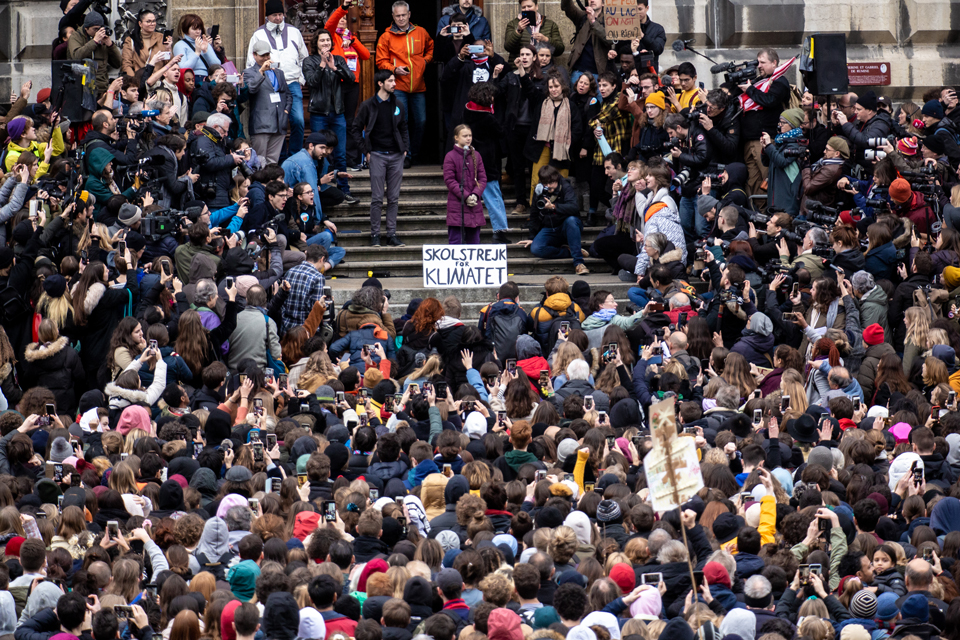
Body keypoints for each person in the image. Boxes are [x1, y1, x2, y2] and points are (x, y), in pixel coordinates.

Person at [352, 70, 408, 248]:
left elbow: (404, 127)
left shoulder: (397, 104)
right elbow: (355, 128)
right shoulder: (368, 105)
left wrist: (405, 149)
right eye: (390, 81)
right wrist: (365, 151)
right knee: (377, 198)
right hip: (376, 155)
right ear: (380, 83)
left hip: (396, 155)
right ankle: (375, 234)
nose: (394, 84)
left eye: (394, 81)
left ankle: (391, 234)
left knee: (394, 198)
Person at [245, 0, 309, 157]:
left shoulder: (295, 32)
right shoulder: (258, 35)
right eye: (275, 15)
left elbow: (304, 59)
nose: (279, 19)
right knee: (275, 124)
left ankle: (293, 156)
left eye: (281, 15)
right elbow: (251, 62)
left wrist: (301, 79)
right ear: (267, 17)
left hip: (292, 83)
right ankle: (278, 159)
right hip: (269, 85)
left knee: (298, 121)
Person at [376, 1, 434, 168]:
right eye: (397, 15)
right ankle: (405, 155)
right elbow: (380, 61)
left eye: (403, 15)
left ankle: (414, 152)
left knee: (421, 121)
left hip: (418, 86)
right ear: (393, 17)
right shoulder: (386, 36)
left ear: (409, 14)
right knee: (402, 121)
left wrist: (424, 61)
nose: (401, 18)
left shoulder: (421, 32)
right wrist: (394, 69)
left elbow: (431, 47)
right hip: (397, 87)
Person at [303, 29, 358, 204]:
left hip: (337, 113)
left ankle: (345, 190)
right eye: (322, 41)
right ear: (316, 44)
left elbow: (351, 79)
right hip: (319, 113)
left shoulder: (339, 59)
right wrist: (322, 66)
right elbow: (311, 82)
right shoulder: (309, 61)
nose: (326, 43)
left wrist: (336, 67)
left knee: (340, 153)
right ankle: (320, 188)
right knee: (319, 153)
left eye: (328, 40)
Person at [324, 0, 371, 171]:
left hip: (352, 84)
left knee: (350, 122)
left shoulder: (351, 38)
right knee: (335, 120)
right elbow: (330, 23)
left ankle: (351, 159)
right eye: (340, 19)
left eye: (345, 20)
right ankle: (332, 160)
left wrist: (353, 41)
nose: (342, 21)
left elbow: (366, 55)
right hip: (337, 83)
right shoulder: (331, 37)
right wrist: (343, 9)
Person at [519, 165, 589, 275]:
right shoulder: (540, 191)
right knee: (536, 248)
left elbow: (574, 207)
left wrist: (554, 207)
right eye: (545, 183)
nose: (548, 186)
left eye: (551, 182)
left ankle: (579, 263)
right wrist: (532, 237)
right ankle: (568, 251)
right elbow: (534, 215)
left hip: (567, 226)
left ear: (556, 179)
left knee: (571, 220)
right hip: (549, 228)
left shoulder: (565, 186)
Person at [740, 48, 791, 196]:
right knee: (753, 183)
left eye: (763, 62)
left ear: (774, 63)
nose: (759, 66)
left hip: (764, 139)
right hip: (749, 140)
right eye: (758, 62)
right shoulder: (758, 81)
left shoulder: (780, 81)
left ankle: (769, 215)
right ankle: (758, 213)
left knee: (766, 180)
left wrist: (750, 90)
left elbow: (769, 100)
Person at [243, 40, 292, 166]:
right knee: (259, 161)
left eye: (267, 55)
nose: (266, 58)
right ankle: (258, 186)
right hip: (261, 124)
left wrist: (285, 111)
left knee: (272, 163)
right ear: (254, 55)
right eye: (262, 55)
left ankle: (269, 185)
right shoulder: (249, 72)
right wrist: (261, 72)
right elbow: (251, 89)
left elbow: (288, 94)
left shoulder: (279, 72)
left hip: (279, 123)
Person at [443, 125, 487, 245]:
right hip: (457, 205)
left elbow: (482, 178)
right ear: (456, 138)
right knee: (455, 243)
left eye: (470, 136)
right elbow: (450, 180)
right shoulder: (450, 156)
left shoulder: (476, 155)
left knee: (474, 243)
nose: (468, 138)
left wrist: (475, 194)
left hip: (474, 205)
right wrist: (466, 196)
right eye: (465, 136)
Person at [67, 11, 122, 96]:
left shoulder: (103, 38)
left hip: (101, 87)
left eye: (99, 29)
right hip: (82, 87)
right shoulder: (76, 37)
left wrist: (110, 45)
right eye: (95, 29)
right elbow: (76, 56)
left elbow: (117, 63)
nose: (98, 32)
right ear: (86, 28)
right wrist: (94, 41)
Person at [761, 109, 804, 215]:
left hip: (787, 198)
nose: (779, 125)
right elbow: (766, 163)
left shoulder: (796, 143)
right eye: (779, 122)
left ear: (792, 125)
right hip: (776, 195)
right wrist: (764, 149)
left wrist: (769, 146)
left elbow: (782, 161)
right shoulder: (781, 141)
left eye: (783, 122)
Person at [561, 0, 613, 83]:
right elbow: (567, 7)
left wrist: (593, 21)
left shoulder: (609, 20)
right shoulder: (582, 17)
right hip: (578, 72)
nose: (592, 0)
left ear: (603, 3)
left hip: (599, 74)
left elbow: (609, 39)